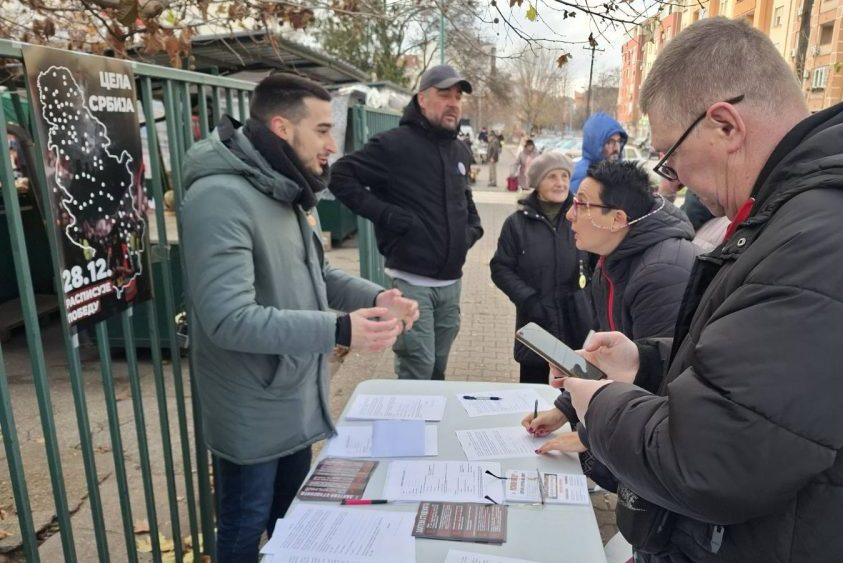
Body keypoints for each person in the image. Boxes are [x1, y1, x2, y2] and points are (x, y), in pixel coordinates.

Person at [554, 18, 843, 563]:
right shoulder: (811, 213)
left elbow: (712, 462)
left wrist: (600, 406)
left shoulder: (838, 233)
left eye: (671, 156)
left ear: (724, 126)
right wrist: (644, 365)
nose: (676, 179)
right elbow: (765, 370)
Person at [180, 73, 419, 562]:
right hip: (252, 409)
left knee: (291, 523)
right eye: (324, 129)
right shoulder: (219, 197)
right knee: (244, 528)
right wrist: (339, 328)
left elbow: (319, 272)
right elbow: (228, 318)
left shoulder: (281, 185)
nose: (333, 144)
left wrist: (378, 297)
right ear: (282, 127)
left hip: (294, 399)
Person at [525, 159, 696, 460]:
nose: (569, 215)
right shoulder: (611, 256)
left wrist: (589, 436)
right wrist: (564, 409)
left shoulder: (663, 272)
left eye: (580, 205)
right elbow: (612, 356)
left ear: (617, 219)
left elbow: (661, 383)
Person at [330, 64, 484, 381]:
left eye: (458, 96)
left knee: (438, 367)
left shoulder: (459, 150)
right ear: (422, 99)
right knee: (418, 366)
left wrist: (472, 228)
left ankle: (431, 427)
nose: (453, 102)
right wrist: (385, 214)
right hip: (411, 282)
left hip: (451, 284)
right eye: (444, 95)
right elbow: (340, 176)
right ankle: (411, 425)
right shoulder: (393, 145)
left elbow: (462, 195)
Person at [491, 152, 593, 384]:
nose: (560, 183)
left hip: (577, 321)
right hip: (537, 322)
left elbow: (598, 265)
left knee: (577, 392)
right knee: (533, 393)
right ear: (537, 183)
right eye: (552, 177)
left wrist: (588, 299)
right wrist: (528, 299)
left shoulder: (583, 218)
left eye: (565, 176)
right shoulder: (516, 224)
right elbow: (500, 268)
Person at [570, 112, 628, 193]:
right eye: (610, 142)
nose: (616, 148)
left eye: (619, 141)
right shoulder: (582, 177)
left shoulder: (618, 173)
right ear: (595, 143)